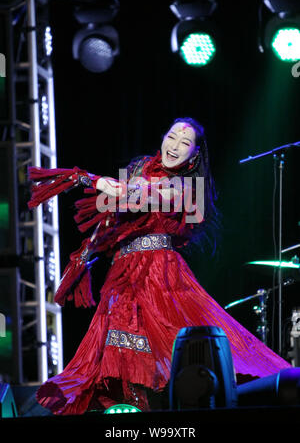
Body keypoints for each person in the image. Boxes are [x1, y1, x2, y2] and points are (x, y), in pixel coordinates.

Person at [28, 117, 292, 415]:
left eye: (185, 142)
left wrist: (82, 177)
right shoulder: (138, 167)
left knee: (172, 348)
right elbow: (108, 211)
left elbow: (136, 196)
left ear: (195, 154)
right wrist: (84, 256)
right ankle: (131, 409)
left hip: (159, 273)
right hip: (121, 271)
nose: (175, 145)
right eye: (172, 136)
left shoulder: (190, 188)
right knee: (115, 347)